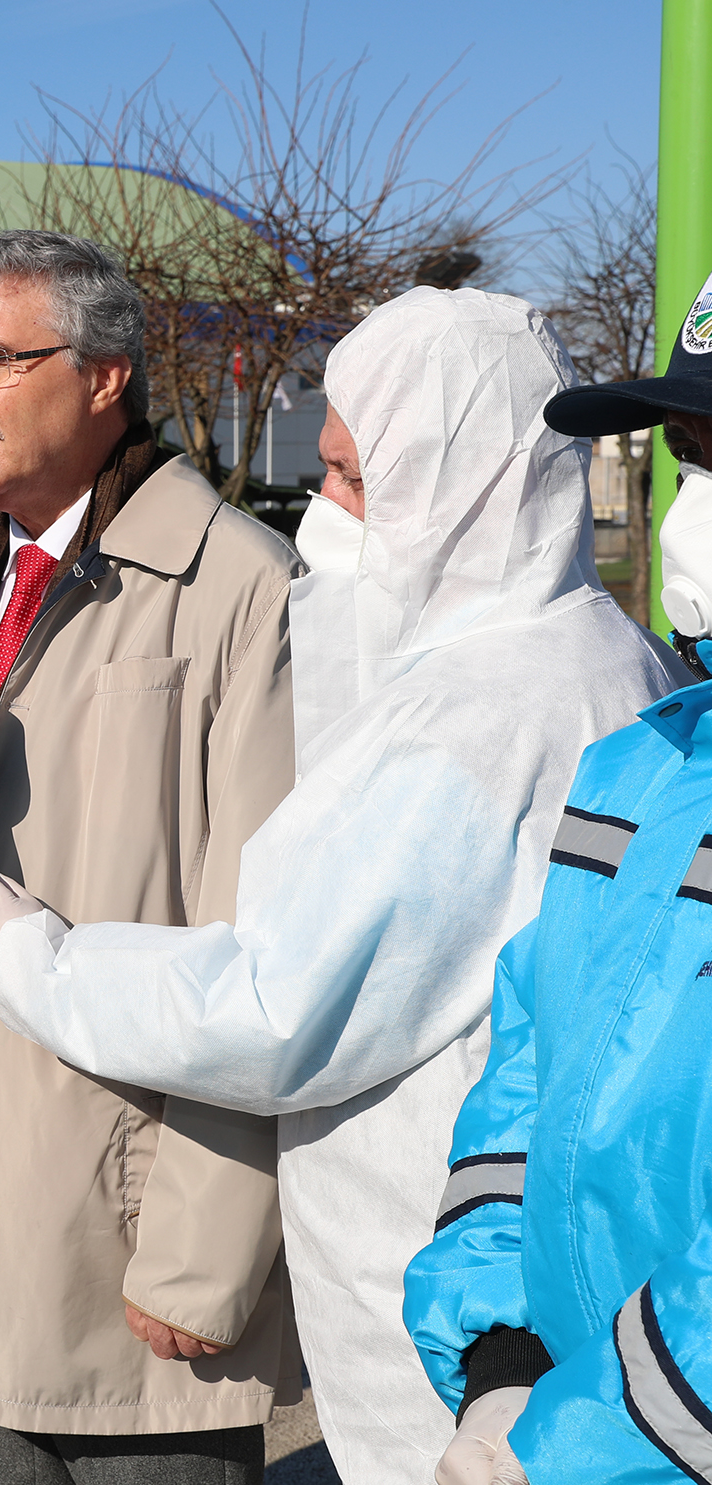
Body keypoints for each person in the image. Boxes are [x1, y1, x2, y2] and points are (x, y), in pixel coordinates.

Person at [0, 287, 688, 1484]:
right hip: (474, 1297)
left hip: (443, 1313)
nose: (326, 512)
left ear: (467, 478)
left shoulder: (494, 711)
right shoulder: (539, 657)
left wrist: (32, 956)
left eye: (357, 478)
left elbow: (283, 1001)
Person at [0, 230, 304, 1484]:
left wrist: (202, 1253)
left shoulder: (241, 587)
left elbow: (268, 951)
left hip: (123, 1254)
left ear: (104, 375)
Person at [403, 268, 712, 1485]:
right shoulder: (641, 763)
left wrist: (574, 1443)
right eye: (695, 453)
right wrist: (502, 1361)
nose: (696, 510)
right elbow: (533, 1070)